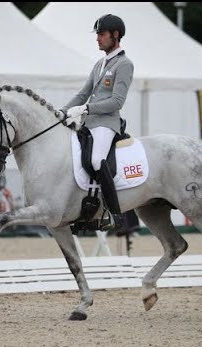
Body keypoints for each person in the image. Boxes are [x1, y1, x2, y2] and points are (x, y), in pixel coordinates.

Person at [60, 14, 134, 230]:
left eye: (102, 34)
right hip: (88, 123)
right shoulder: (99, 64)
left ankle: (114, 214)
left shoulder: (124, 64)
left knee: (96, 160)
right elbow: (83, 93)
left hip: (106, 123)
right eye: (98, 35)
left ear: (115, 35)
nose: (98, 39)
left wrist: (87, 108)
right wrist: (61, 112)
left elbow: (117, 101)